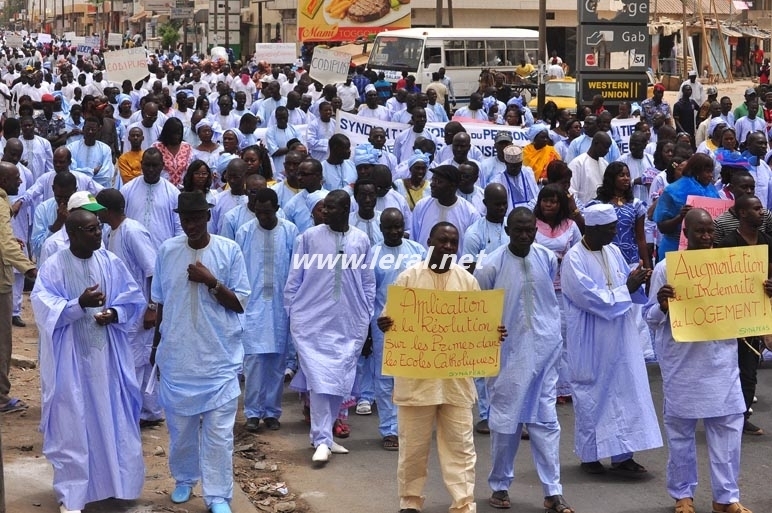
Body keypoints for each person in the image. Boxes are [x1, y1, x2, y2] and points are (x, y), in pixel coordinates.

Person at [377, 221, 506, 513]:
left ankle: (463, 504)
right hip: (416, 379)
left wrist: (492, 333)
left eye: (453, 242)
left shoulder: (467, 281)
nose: (448, 247)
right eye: (443, 241)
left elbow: (480, 325)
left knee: (461, 448)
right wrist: (385, 324)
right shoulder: (408, 278)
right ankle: (410, 502)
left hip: (455, 381)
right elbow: (390, 320)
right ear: (429, 242)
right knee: (413, 447)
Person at [645, 208, 760, 513]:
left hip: (721, 361)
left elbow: (747, 308)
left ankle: (726, 498)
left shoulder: (729, 267)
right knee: (681, 433)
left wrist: (765, 295)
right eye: (700, 231)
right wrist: (662, 305)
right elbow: (650, 318)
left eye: (710, 231)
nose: (707, 236)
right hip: (683, 363)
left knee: (728, 433)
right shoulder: (665, 270)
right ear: (686, 233)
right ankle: (683, 495)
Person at [31, 208, 146, 513]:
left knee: (114, 420)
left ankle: (116, 486)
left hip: (108, 360)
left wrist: (116, 313)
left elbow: (131, 297)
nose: (99, 233)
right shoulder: (55, 265)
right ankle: (73, 495)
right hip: (71, 363)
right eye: (92, 230)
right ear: (73, 234)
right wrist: (77, 304)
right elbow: (42, 306)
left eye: (99, 228)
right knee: (73, 426)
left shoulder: (110, 261)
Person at [151, 192, 251, 513]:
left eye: (196, 217)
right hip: (178, 360)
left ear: (208, 216)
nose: (190, 224)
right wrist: (156, 350)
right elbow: (161, 305)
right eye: (185, 218)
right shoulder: (167, 251)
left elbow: (240, 304)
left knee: (219, 436)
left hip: (218, 360)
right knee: (181, 431)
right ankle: (184, 479)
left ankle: (218, 496)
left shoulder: (229, 250)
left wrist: (212, 281)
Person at [475, 207, 574, 513]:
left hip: (544, 351)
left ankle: (552, 491)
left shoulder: (545, 257)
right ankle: (500, 485)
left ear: (535, 230)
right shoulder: (490, 266)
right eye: (517, 230)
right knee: (505, 422)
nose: (524, 235)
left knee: (546, 421)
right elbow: (480, 312)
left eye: (529, 229)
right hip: (508, 356)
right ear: (507, 230)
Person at [561, 203, 662, 474]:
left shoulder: (613, 251)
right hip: (591, 338)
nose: (615, 233)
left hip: (620, 336)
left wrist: (637, 280)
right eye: (610, 229)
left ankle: (622, 456)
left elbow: (624, 288)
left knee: (624, 392)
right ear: (592, 229)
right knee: (592, 394)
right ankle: (590, 456)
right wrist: (626, 288)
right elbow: (589, 298)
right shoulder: (574, 259)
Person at [284, 190, 375, 463]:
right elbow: (294, 280)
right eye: (324, 209)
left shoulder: (361, 240)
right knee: (319, 379)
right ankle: (322, 438)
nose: (325, 213)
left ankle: (325, 436)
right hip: (312, 322)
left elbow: (368, 283)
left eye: (332, 208)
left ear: (347, 209)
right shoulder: (309, 238)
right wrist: (294, 314)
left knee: (340, 379)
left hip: (349, 321)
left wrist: (365, 315)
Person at [95, 188, 163, 428]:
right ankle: (144, 411)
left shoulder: (132, 231)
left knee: (136, 363)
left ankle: (135, 414)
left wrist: (153, 307)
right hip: (123, 311)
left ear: (107, 210)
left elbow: (153, 270)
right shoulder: (111, 232)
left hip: (140, 308)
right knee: (132, 362)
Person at [235, 188, 298, 432]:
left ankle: (272, 412)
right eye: (258, 212)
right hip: (253, 307)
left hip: (281, 308)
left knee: (276, 362)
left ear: (277, 208)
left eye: (267, 212)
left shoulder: (290, 231)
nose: (262, 216)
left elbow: (295, 269)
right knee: (253, 362)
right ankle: (252, 412)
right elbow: (238, 270)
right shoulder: (245, 232)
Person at [368, 208, 425, 450]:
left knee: (414, 378)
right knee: (385, 380)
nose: (394, 231)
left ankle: (412, 429)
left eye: (398, 226)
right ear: (380, 229)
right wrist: (371, 327)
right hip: (385, 326)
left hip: (415, 326)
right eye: (389, 227)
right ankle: (390, 430)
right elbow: (368, 293)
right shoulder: (373, 254)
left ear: (405, 227)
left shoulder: (418, 252)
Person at [715, 194, 771, 437]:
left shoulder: (768, 242)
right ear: (742, 213)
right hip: (731, 317)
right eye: (756, 208)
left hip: (756, 315)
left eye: (762, 208)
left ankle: (742, 415)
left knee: (749, 368)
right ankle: (723, 415)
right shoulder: (728, 244)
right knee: (729, 369)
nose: (762, 212)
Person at [0, 161, 36, 411]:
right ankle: (2, 397)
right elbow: (5, 245)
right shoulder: (2, 205)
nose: (20, 182)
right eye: (15, 178)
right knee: (3, 342)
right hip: (1, 284)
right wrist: (29, 268)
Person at [653, 153, 721, 256]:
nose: (711, 176)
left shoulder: (712, 190)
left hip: (705, 250)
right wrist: (680, 217)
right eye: (707, 172)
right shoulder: (672, 191)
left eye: (711, 172)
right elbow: (662, 227)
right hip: (675, 249)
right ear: (696, 172)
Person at [121, 147, 183, 249]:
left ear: (162, 166)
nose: (150, 169)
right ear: (141, 164)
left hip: (162, 250)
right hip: (132, 250)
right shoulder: (127, 189)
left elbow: (179, 227)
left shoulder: (173, 193)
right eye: (147, 165)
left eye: (154, 165)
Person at [412, 165, 479, 257]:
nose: (432, 184)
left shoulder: (470, 213)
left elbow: (471, 249)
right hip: (423, 267)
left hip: (454, 268)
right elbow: (413, 239)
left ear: (452, 186)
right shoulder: (421, 206)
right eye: (433, 180)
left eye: (438, 181)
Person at [568, 132, 611, 205]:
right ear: (596, 143)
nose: (607, 151)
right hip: (584, 212)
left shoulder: (605, 164)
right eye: (605, 147)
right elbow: (572, 192)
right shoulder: (578, 163)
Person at [152, 117, 193, 187]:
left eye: (179, 134)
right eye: (173, 134)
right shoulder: (156, 147)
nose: (176, 137)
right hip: (161, 188)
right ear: (167, 133)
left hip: (183, 190)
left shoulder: (187, 147)